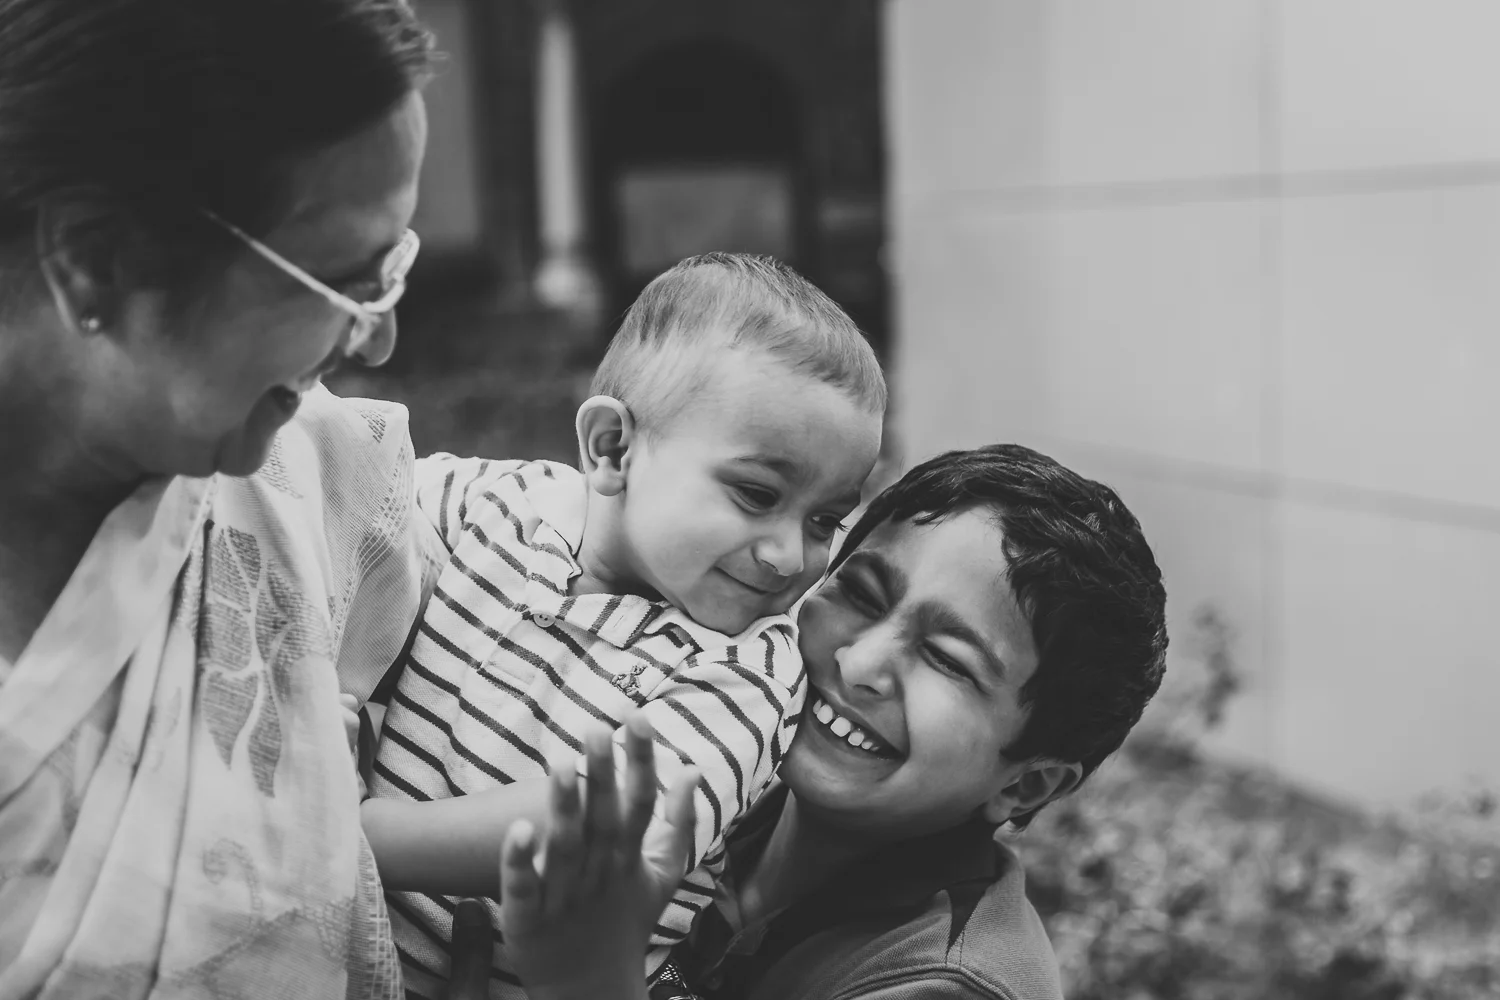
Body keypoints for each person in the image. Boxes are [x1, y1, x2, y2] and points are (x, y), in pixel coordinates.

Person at [0, 1, 443, 996]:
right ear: (91, 257)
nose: (378, 341)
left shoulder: (316, 479)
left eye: (394, 270)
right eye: (347, 281)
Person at [360, 254, 887, 998]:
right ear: (613, 448)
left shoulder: (754, 673)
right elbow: (349, 493)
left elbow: (590, 835)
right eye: (756, 494)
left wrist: (350, 833)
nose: (789, 555)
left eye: (826, 519)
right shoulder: (503, 504)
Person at [490, 444, 1170, 1000]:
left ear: (1027, 784)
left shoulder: (946, 981)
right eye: (860, 593)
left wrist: (587, 986)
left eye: (946, 659)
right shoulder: (716, 764)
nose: (860, 660)